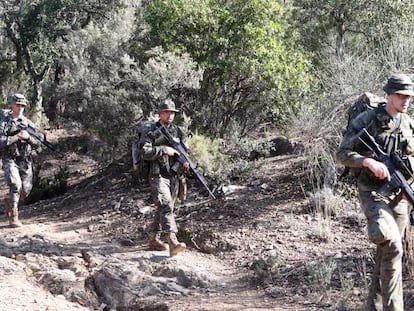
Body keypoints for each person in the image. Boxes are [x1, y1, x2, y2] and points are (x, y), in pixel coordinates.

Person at [337, 73, 414, 311]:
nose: (406, 100)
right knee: (392, 245)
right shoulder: (367, 119)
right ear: (388, 95)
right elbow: (342, 154)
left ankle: (374, 306)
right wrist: (367, 162)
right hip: (373, 192)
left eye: (409, 96)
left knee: (387, 255)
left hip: (399, 194)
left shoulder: (408, 123)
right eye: (401, 95)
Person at [140, 99, 189, 256]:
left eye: (172, 113)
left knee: (164, 208)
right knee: (166, 205)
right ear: (160, 114)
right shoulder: (151, 131)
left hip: (174, 176)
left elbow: (185, 151)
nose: (169, 115)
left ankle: (153, 239)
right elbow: (144, 152)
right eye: (166, 112)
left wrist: (185, 163)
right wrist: (163, 149)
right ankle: (173, 242)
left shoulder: (178, 132)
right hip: (158, 175)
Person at [0, 93, 40, 228]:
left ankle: (9, 202)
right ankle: (13, 217)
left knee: (25, 191)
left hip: (25, 160)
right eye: (18, 105)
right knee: (15, 185)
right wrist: (16, 137)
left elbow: (37, 143)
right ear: (12, 105)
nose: (20, 107)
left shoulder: (28, 124)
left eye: (23, 105)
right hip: (9, 158)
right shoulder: (4, 122)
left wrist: (28, 138)